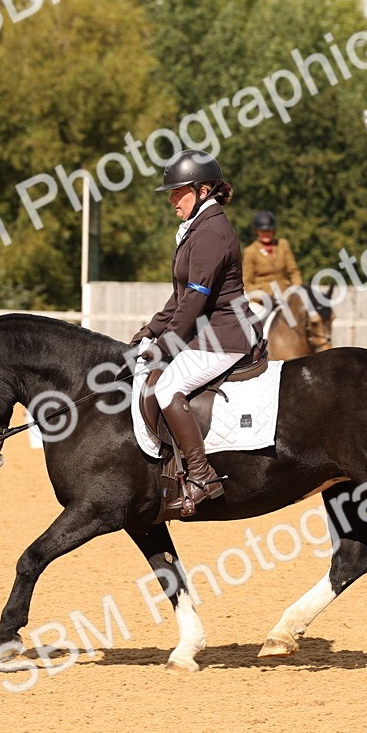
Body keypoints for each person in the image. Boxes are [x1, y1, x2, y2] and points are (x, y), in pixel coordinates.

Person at [131, 150, 261, 515]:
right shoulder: (198, 228)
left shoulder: (211, 233)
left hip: (225, 334)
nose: (172, 199)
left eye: (178, 192)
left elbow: (194, 301)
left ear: (203, 191)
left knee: (166, 387)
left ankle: (202, 476)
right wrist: (152, 329)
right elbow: (180, 297)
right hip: (208, 332)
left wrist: (166, 344)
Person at [242, 211, 303, 297]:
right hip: (263, 298)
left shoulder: (283, 245)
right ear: (257, 231)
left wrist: (296, 287)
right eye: (262, 231)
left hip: (285, 294)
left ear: (273, 230)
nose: (266, 234)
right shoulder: (250, 251)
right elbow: (247, 282)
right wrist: (261, 296)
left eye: (268, 230)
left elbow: (293, 271)